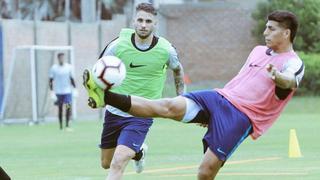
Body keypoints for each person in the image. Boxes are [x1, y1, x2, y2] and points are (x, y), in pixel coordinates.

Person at [83, 10, 304, 179]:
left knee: (205, 173)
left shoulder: (293, 62)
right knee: (166, 106)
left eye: (271, 29)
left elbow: (290, 80)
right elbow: (239, 81)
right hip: (219, 98)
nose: (265, 32)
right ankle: (105, 95)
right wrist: (211, 114)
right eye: (266, 27)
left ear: (286, 33)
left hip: (241, 117)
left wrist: (278, 76)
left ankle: (106, 96)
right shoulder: (257, 51)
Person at [84, 3, 185, 179]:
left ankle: (133, 151)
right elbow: (97, 72)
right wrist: (95, 95)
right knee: (106, 163)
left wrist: (182, 98)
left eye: (148, 21)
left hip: (144, 111)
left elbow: (177, 70)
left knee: (118, 162)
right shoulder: (117, 45)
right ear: (133, 22)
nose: (143, 25)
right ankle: (139, 152)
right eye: (140, 20)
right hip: (115, 111)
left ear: (155, 24)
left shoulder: (166, 49)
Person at [49, 52, 76, 131]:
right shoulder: (54, 68)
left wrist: (75, 89)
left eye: (63, 57)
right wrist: (52, 91)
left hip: (67, 92)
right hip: (58, 92)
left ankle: (67, 125)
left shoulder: (69, 67)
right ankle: (61, 125)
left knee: (68, 107)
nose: (62, 59)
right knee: (60, 109)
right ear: (58, 58)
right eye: (60, 58)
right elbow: (50, 80)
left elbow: (72, 79)